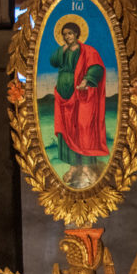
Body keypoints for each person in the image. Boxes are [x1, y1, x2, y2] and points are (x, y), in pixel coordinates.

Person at [49, 21, 108, 178]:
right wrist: (62, 49)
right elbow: (53, 61)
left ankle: (87, 167)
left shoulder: (88, 51)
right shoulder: (63, 51)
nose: (67, 36)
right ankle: (74, 167)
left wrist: (86, 80)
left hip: (82, 96)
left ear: (76, 34)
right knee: (67, 130)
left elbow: (97, 67)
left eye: (69, 33)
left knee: (84, 129)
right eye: (64, 34)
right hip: (63, 95)